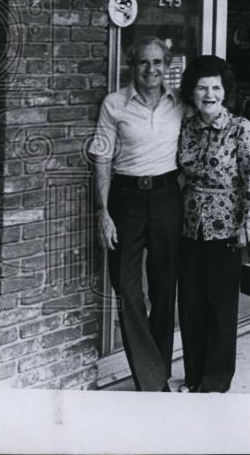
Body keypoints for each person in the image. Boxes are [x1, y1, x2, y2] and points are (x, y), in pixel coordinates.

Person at [90, 36, 184, 392]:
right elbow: (101, 157)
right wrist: (103, 212)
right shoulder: (114, 104)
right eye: (144, 63)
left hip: (166, 198)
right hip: (126, 200)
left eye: (158, 62)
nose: (151, 70)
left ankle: (155, 374)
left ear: (167, 65)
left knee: (163, 289)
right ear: (132, 66)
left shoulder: (181, 103)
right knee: (127, 290)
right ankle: (151, 376)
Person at [176, 55, 250, 393]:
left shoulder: (240, 128)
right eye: (202, 88)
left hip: (227, 226)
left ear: (225, 92)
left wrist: (249, 222)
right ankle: (194, 376)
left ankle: (215, 380)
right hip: (189, 225)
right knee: (192, 303)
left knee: (221, 307)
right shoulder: (187, 127)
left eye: (216, 87)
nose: (209, 94)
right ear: (192, 93)